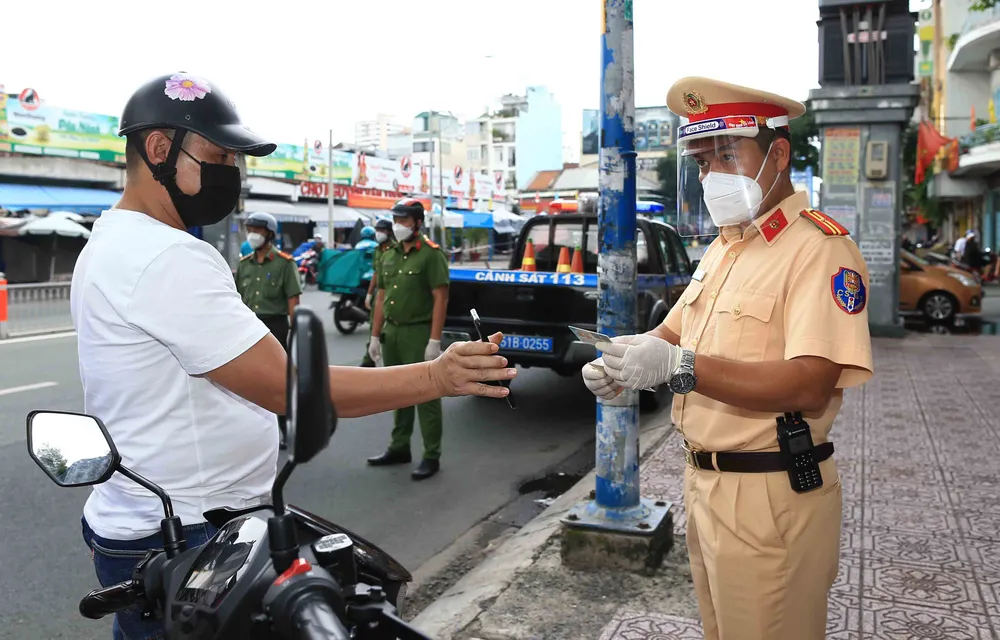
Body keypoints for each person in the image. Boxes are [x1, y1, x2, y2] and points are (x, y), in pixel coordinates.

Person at [70, 72, 515, 640]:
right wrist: (438, 374)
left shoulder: (112, 242)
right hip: (185, 537)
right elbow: (288, 388)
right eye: (220, 154)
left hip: (162, 523)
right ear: (160, 150)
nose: (232, 173)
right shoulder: (163, 256)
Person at [582, 77, 873, 640]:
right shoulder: (724, 246)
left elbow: (811, 384)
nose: (712, 172)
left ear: (778, 153)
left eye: (726, 152)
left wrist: (678, 368)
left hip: (771, 492)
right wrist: (626, 361)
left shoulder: (821, 249)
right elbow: (676, 329)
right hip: (706, 486)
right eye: (702, 159)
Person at [367, 200, 450, 480]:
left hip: (418, 331)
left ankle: (431, 454)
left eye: (403, 221)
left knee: (426, 393)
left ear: (416, 223)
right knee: (397, 391)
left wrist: (434, 340)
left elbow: (441, 298)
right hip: (393, 331)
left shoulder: (430, 255)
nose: (397, 226)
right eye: (395, 220)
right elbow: (381, 296)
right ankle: (399, 446)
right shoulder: (388, 253)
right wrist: (375, 336)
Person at [235, 211, 302, 449]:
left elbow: (293, 301)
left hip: (275, 327)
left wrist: (295, 334)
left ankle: (285, 428)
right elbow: (236, 300)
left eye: (258, 230)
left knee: (278, 381)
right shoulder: (244, 265)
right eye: (250, 230)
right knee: (246, 380)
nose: (252, 235)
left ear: (270, 234)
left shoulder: (285, 263)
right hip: (248, 327)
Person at [361, 219, 395, 368]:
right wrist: (369, 294)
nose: (379, 233)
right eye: (377, 230)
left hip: (392, 294)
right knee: (374, 326)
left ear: (389, 231)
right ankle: (369, 360)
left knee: (388, 329)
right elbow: (376, 272)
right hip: (379, 294)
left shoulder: (395, 250)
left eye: (382, 230)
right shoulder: (377, 249)